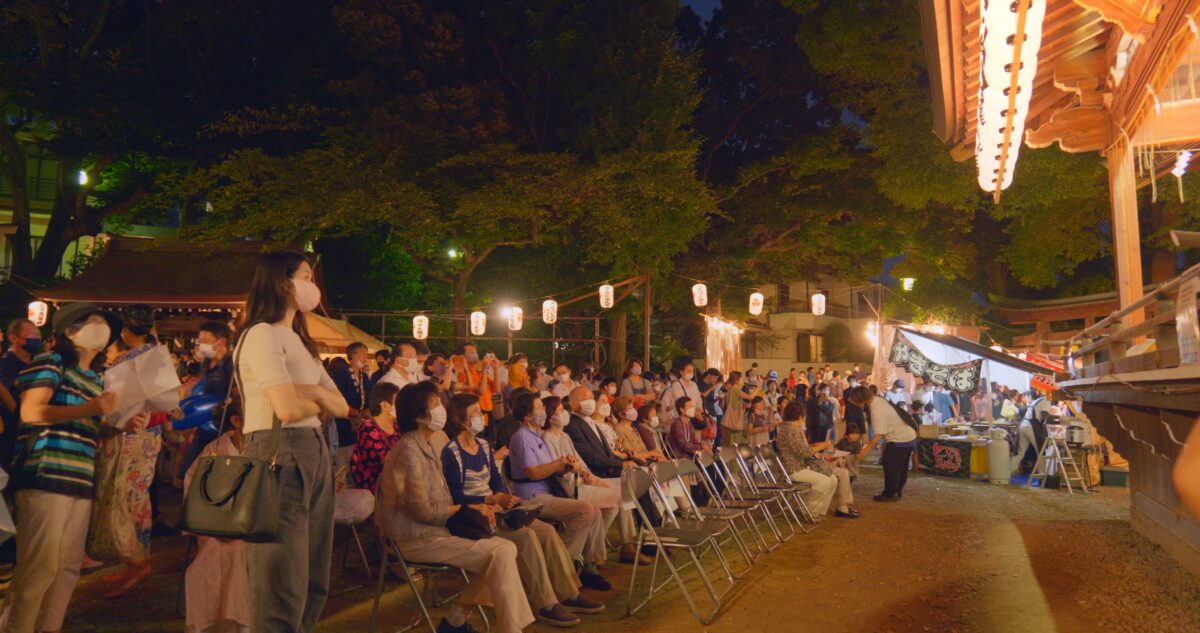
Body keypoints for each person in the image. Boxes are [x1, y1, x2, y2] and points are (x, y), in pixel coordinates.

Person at [238, 251, 350, 632]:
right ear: (282, 282)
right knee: (281, 579)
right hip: (278, 452)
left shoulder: (300, 341)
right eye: (305, 276)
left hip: (314, 449)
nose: (312, 285)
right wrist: (315, 397)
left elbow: (342, 405)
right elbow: (285, 409)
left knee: (314, 574)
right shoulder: (261, 334)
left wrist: (313, 395)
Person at [0, 302, 123, 633]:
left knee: (67, 569)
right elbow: (31, 412)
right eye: (95, 322)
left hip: (79, 481)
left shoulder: (96, 379)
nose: (104, 329)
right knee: (39, 570)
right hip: (45, 477)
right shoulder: (52, 362)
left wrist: (118, 425)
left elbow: (86, 426)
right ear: (70, 330)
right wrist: (89, 408)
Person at [376, 381, 534, 633]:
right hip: (414, 537)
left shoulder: (424, 445)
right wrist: (465, 509)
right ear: (419, 415)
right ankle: (504, 628)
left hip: (434, 532)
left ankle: (455, 622)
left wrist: (476, 508)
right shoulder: (408, 450)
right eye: (436, 404)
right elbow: (424, 511)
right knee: (501, 553)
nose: (442, 410)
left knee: (504, 550)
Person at [440, 394, 603, 627]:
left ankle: (569, 593)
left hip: (496, 509)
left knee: (545, 531)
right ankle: (545, 603)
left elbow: (496, 479)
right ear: (461, 419)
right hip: (472, 516)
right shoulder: (452, 451)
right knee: (526, 536)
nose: (480, 416)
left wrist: (501, 498)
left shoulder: (484, 446)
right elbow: (456, 495)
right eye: (475, 412)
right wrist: (490, 498)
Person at [508, 391, 611, 590]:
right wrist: (559, 463)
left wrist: (567, 466)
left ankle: (589, 566)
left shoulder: (535, 436)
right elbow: (533, 473)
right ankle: (561, 566)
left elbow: (550, 468)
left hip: (547, 492)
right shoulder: (521, 438)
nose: (543, 412)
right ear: (527, 414)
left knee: (596, 511)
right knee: (585, 511)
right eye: (539, 408)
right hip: (532, 497)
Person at [99, 304, 167, 598]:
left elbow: (113, 404)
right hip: (151, 435)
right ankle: (137, 559)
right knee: (138, 498)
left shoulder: (125, 361)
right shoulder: (160, 357)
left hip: (130, 433)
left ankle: (136, 562)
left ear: (126, 332)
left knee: (123, 497)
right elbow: (168, 404)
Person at [539, 397, 639, 565]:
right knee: (609, 507)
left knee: (620, 494)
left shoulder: (564, 436)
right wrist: (578, 471)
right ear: (551, 416)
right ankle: (589, 555)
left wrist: (587, 474)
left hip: (582, 480)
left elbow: (580, 461)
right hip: (569, 486)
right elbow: (559, 468)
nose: (565, 413)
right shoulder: (547, 438)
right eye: (561, 410)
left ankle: (616, 547)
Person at [183, 397, 250, 633]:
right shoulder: (213, 450)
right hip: (213, 524)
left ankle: (240, 622)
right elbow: (193, 486)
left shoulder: (262, 449)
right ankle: (208, 623)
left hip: (249, 526)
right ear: (236, 421)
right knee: (210, 555)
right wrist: (213, 523)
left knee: (240, 553)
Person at [775, 401, 859, 519]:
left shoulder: (789, 429)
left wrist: (815, 446)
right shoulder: (791, 430)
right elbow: (804, 453)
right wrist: (823, 446)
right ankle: (808, 510)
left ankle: (817, 511)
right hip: (794, 469)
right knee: (824, 481)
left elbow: (801, 449)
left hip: (799, 465)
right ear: (800, 416)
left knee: (832, 479)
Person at [847, 386, 917, 502]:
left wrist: (865, 451)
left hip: (899, 439)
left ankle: (890, 494)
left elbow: (878, 434)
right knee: (901, 467)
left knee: (891, 467)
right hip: (908, 436)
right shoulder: (879, 400)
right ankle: (896, 492)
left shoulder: (876, 408)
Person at [0, 319, 39, 467]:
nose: (35, 339)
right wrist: (20, 418)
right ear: (13, 338)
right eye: (31, 335)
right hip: (9, 436)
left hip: (32, 436)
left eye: (37, 335)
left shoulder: (39, 364)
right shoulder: (4, 365)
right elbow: (5, 396)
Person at [351, 381, 402, 494]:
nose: (402, 405)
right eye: (397, 401)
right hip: (376, 490)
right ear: (384, 405)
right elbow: (384, 462)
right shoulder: (368, 429)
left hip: (395, 484)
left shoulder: (396, 425)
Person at [331, 341, 371, 469]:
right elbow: (337, 397)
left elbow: (371, 396)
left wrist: (369, 409)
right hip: (344, 422)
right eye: (364, 354)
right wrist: (349, 410)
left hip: (360, 422)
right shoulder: (341, 373)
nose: (366, 358)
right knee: (343, 458)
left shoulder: (364, 375)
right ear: (353, 356)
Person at [611, 396, 665, 463]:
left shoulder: (633, 429)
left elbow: (643, 451)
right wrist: (652, 453)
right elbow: (631, 455)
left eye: (633, 407)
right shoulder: (619, 429)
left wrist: (655, 457)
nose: (633, 410)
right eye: (629, 408)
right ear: (621, 414)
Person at [720, 371, 753, 447]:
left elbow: (735, 406)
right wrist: (758, 388)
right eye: (741, 378)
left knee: (730, 445)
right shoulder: (735, 389)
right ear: (736, 380)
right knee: (734, 447)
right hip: (734, 424)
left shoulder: (732, 389)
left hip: (731, 424)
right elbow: (750, 396)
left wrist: (745, 405)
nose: (743, 380)